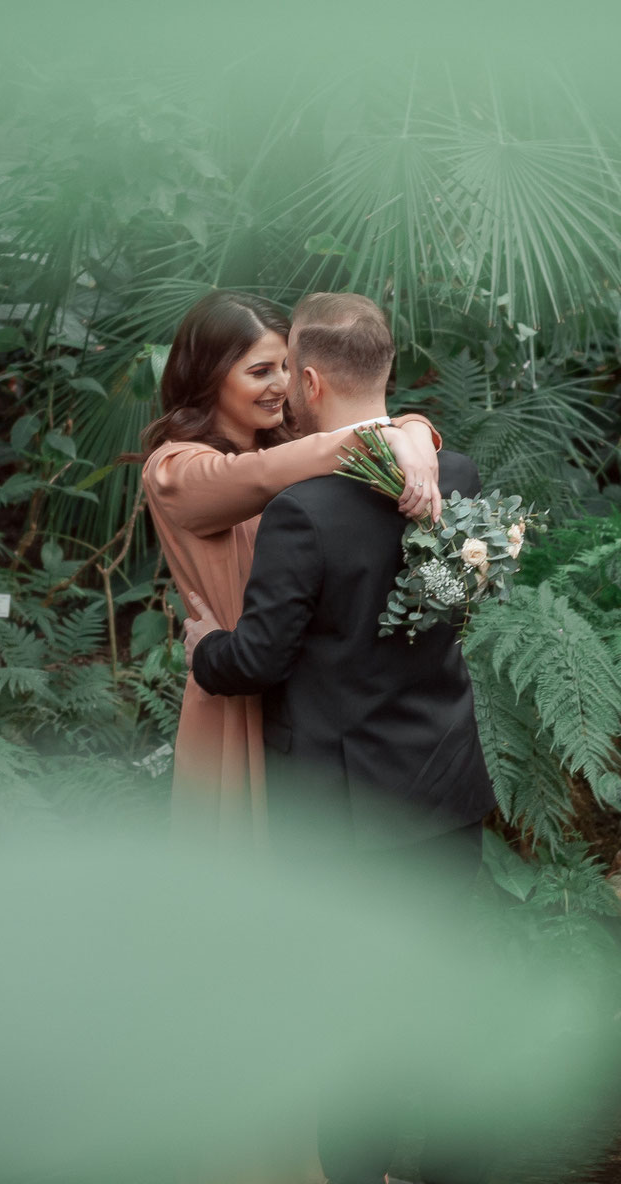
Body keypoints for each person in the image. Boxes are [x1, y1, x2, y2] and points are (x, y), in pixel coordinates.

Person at [183, 292, 497, 1184]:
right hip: (443, 791)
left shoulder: (304, 511)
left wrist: (207, 648)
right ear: (388, 370)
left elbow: (261, 656)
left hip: (344, 819)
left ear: (312, 380)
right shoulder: (460, 478)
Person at [139, 290, 444, 848]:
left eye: (286, 365)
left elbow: (336, 432)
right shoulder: (174, 470)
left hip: (311, 701)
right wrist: (395, 433)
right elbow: (255, 477)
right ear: (209, 377)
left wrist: (416, 429)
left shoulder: (300, 446)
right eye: (260, 370)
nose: (283, 383)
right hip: (237, 686)